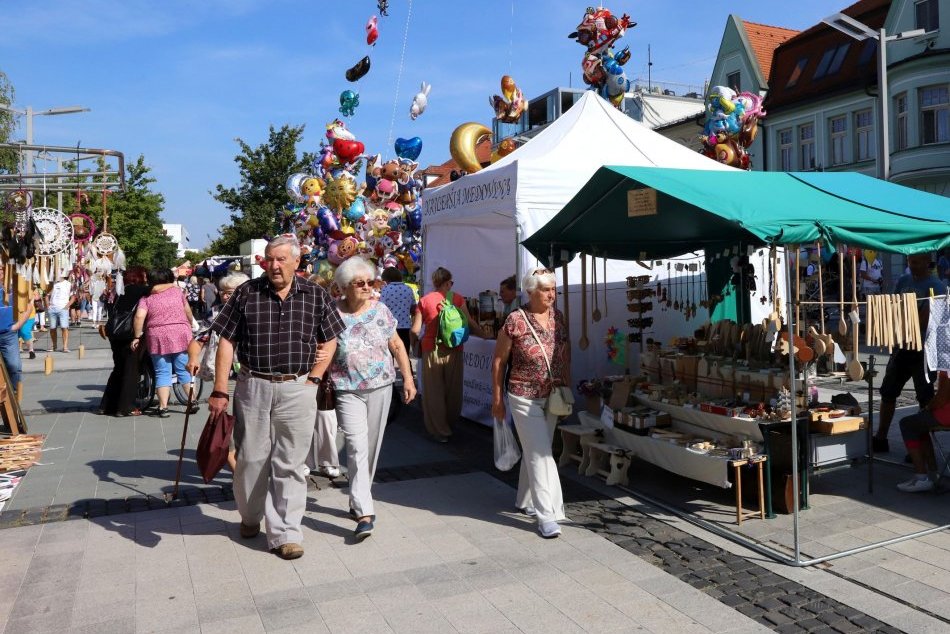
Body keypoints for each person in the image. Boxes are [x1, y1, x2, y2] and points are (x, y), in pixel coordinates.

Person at [209, 235, 344, 560]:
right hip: (253, 386)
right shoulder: (247, 293)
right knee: (250, 459)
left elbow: (330, 339)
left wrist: (314, 377)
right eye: (270, 259)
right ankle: (250, 515)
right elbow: (226, 341)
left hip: (298, 388)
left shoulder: (315, 295)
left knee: (291, 463)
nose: (274, 265)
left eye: (282, 259)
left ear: (297, 261)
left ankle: (286, 533)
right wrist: (219, 389)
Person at [329, 257, 417, 539]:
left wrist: (408, 379)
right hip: (346, 387)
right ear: (345, 286)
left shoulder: (380, 310)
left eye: (371, 282)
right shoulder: (332, 312)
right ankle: (364, 511)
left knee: (371, 446)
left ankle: (358, 496)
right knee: (356, 445)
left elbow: (397, 345)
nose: (368, 287)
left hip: (381, 386)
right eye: (360, 283)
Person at [491, 267, 571, 539]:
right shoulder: (515, 319)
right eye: (546, 289)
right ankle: (547, 514)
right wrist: (497, 398)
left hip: (552, 394)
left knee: (538, 448)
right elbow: (499, 361)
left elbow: (565, 352)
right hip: (523, 395)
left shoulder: (558, 317)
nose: (552, 294)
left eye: (553, 289)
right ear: (531, 291)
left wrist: (566, 383)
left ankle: (524, 500)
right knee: (541, 454)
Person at [872, 253, 950, 453]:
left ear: (926, 262)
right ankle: (881, 437)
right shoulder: (904, 281)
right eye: (909, 262)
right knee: (888, 392)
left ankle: (920, 448)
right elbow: (894, 307)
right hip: (902, 348)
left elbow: (928, 320)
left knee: (924, 397)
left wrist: (907, 322)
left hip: (924, 351)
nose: (912, 265)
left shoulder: (937, 286)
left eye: (915, 262)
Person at [410, 267, 484, 442]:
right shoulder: (457, 298)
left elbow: (415, 330)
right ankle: (449, 423)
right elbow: (469, 322)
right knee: (453, 390)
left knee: (434, 391)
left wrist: (415, 345)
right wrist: (484, 335)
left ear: (435, 282)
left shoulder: (425, 301)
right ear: (448, 282)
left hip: (431, 348)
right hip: (455, 348)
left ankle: (440, 431)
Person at [185, 272, 249, 469]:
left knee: (248, 425)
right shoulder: (215, 313)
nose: (225, 296)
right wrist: (193, 358)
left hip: (251, 375)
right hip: (225, 376)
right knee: (224, 423)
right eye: (223, 292)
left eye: (230, 292)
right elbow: (199, 339)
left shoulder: (254, 311)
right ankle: (237, 473)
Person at [131, 267, 196, 418]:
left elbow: (139, 317)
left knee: (162, 372)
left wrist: (137, 336)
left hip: (157, 335)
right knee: (183, 369)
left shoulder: (146, 298)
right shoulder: (177, 292)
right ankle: (192, 401)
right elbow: (187, 311)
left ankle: (163, 407)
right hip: (180, 333)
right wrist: (190, 324)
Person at [98, 267, 150, 417]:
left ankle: (106, 406)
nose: (146, 278)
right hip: (128, 333)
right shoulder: (138, 289)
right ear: (138, 277)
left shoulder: (117, 290)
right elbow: (156, 289)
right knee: (131, 370)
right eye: (144, 275)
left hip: (114, 332)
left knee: (118, 369)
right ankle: (125, 407)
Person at [305, 273, 341, 480]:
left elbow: (339, 343)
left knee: (326, 420)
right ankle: (305, 461)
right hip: (302, 373)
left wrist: (327, 352)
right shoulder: (299, 311)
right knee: (303, 421)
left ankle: (328, 461)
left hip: (325, 377)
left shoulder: (330, 310)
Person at [379, 266, 415, 353]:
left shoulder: (385, 290)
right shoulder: (408, 289)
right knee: (404, 354)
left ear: (386, 278)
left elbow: (381, 308)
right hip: (405, 327)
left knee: (390, 355)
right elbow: (413, 308)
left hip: (390, 327)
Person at [47, 274, 74, 353]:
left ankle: (65, 347)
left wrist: (67, 306)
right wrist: (48, 306)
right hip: (52, 309)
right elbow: (47, 295)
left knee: (64, 328)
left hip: (63, 309)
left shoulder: (68, 284)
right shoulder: (54, 283)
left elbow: (73, 297)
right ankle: (54, 345)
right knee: (52, 328)